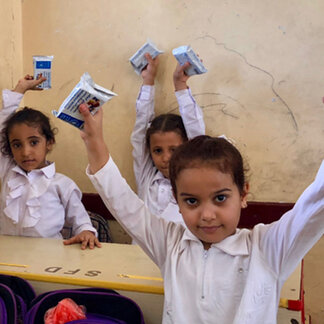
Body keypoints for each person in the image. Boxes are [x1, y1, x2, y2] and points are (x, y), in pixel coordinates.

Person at [79, 103, 323, 323]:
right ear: (177, 200)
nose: (207, 214)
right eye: (192, 201)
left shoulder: (268, 249)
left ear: (244, 194)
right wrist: (94, 141)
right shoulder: (171, 244)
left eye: (220, 198)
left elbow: (316, 204)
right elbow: (124, 204)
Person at [0, 75, 101, 250]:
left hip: (49, 260)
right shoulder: (7, 172)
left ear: (49, 143)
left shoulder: (62, 184)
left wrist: (86, 231)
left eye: (34, 142)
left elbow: (81, 221)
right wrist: (20, 89)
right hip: (8, 259)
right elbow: (2, 127)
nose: (25, 152)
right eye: (17, 145)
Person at [131, 53, 205, 223]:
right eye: (157, 150)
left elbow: (198, 136)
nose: (165, 158)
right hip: (140, 250)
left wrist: (180, 85)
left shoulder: (193, 177)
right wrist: (148, 80)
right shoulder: (147, 178)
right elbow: (140, 130)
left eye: (174, 149)